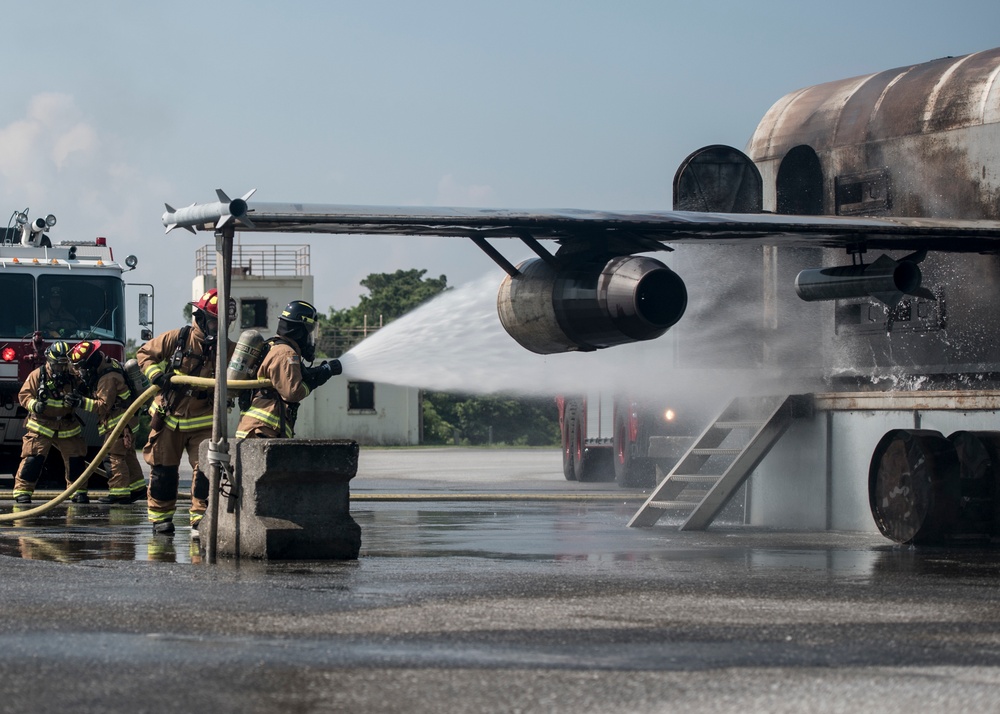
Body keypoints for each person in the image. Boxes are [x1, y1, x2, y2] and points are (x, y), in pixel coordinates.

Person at [136, 289, 233, 537]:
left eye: (222, 323)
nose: (217, 328)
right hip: (169, 417)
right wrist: (157, 375)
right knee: (163, 472)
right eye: (213, 322)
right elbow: (144, 354)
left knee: (207, 472)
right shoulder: (179, 338)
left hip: (204, 422)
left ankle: (201, 519)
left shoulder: (227, 349)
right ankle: (160, 519)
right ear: (200, 318)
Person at [235, 300, 341, 439]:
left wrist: (323, 371)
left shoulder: (274, 346)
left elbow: (297, 376)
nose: (310, 338)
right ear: (299, 331)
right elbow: (293, 392)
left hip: (258, 430)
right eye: (308, 332)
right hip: (263, 430)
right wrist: (322, 375)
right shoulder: (286, 354)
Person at [11, 341, 94, 504]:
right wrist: (35, 405)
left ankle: (78, 491)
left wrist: (79, 398)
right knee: (33, 459)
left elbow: (87, 391)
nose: (60, 368)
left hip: (67, 425)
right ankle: (23, 491)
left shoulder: (73, 375)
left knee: (76, 460)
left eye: (64, 364)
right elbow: (24, 396)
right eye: (57, 364)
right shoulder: (37, 375)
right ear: (49, 361)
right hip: (41, 425)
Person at [69, 340, 147, 504]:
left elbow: (103, 406)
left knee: (113, 456)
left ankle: (119, 492)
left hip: (119, 423)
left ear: (91, 362)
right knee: (128, 456)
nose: (82, 371)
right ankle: (138, 489)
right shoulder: (109, 364)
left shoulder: (107, 378)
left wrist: (81, 402)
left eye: (83, 366)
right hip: (127, 420)